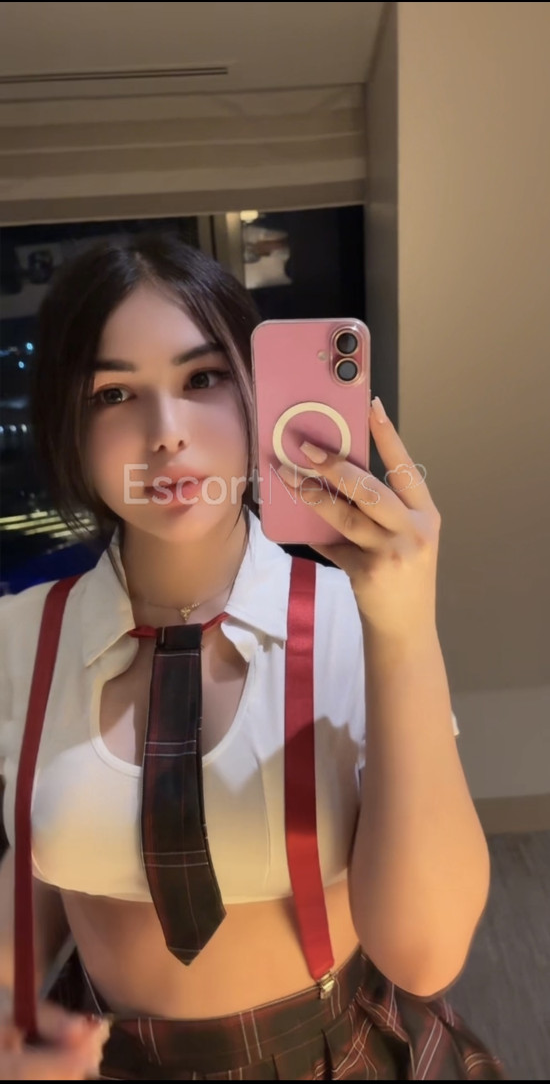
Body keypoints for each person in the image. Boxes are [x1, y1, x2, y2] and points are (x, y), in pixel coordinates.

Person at [0, 234, 508, 1079]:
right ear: (69, 425)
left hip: (326, 1055)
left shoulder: (352, 620)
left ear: (259, 394)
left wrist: (406, 631)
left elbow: (424, 956)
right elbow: (40, 855)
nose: (167, 435)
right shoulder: (21, 638)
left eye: (202, 379)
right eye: (114, 393)